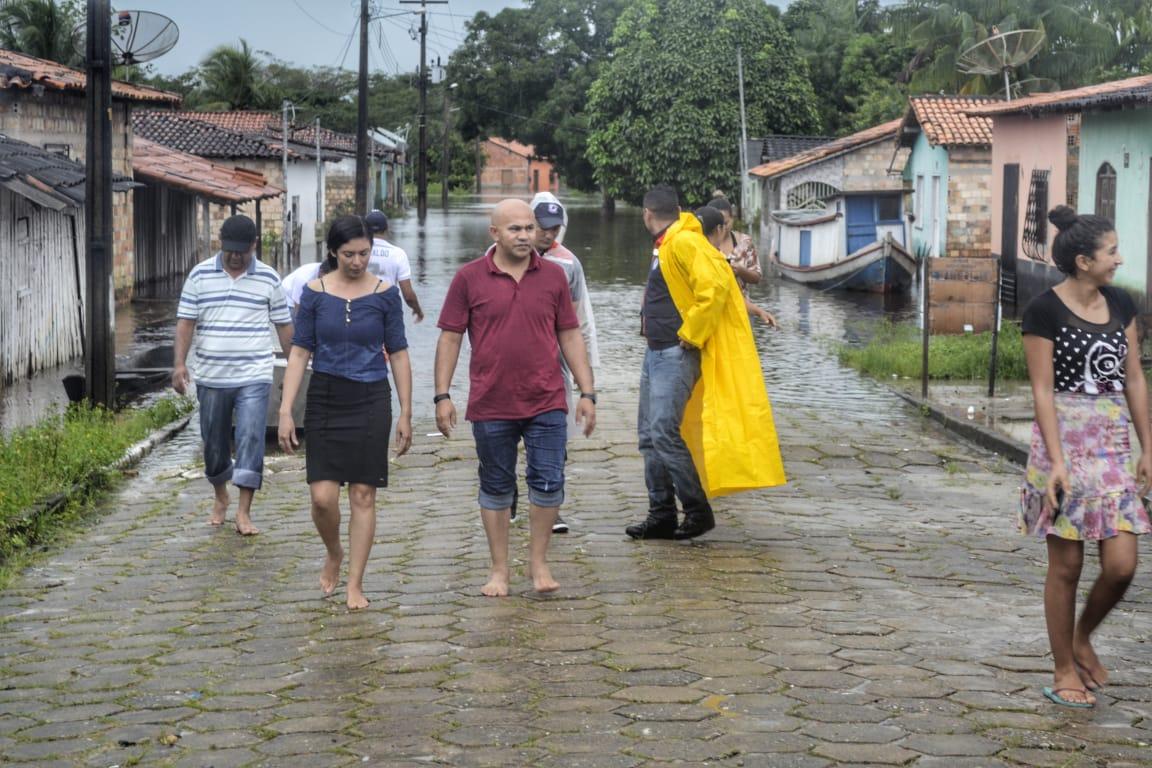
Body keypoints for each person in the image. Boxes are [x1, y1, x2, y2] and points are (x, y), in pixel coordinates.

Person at [1020, 205, 1152, 709]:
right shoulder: (1043, 311)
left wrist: (1147, 447)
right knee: (1068, 565)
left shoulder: (1121, 303)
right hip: (1063, 443)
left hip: (1113, 442)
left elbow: (1134, 377)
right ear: (1082, 261)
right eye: (1111, 251)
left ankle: (1082, 636)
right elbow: (1042, 391)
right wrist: (1056, 462)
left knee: (1121, 564)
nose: (1119, 259)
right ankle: (1062, 669)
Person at [434, 199, 596, 597]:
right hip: (491, 401)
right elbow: (451, 337)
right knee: (496, 485)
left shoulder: (555, 277)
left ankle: (539, 563)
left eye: (529, 228)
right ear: (494, 234)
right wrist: (442, 395)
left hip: (546, 398)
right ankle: (499, 569)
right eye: (516, 229)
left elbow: (570, 335)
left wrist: (587, 391)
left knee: (548, 480)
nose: (525, 236)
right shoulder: (469, 278)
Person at [628, 185, 785, 541]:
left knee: (664, 433)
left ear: (646, 214)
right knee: (649, 436)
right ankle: (661, 514)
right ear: (678, 209)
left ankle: (697, 511)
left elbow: (715, 287)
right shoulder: (669, 243)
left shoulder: (683, 242)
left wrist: (692, 333)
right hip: (656, 350)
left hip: (675, 350)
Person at [278, 215, 413, 610]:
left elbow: (400, 354)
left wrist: (406, 412)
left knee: (363, 493)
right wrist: (286, 410)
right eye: (349, 254)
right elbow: (300, 352)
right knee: (322, 497)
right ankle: (334, 551)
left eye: (364, 254)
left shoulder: (386, 295)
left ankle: (355, 582)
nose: (358, 262)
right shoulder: (314, 294)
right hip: (325, 396)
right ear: (333, 252)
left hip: (371, 397)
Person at [172, 214, 293, 536]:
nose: (236, 256)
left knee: (251, 437)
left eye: (242, 250)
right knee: (213, 442)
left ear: (254, 245)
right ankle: (220, 495)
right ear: (220, 244)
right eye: (230, 250)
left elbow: (284, 326)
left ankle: (243, 511)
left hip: (254, 373)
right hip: (211, 375)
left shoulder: (269, 279)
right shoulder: (199, 276)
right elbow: (186, 322)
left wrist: (294, 366)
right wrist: (179, 364)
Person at [530, 191, 601, 535]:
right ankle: (507, 494)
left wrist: (584, 379)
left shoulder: (569, 263)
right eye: (543, 227)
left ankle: (551, 505)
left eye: (554, 228)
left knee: (555, 437)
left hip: (554, 365)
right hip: (512, 365)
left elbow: (577, 322)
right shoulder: (502, 256)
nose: (548, 234)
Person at [695, 206, 779, 328]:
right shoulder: (711, 258)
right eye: (722, 225)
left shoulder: (743, 243)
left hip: (733, 311)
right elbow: (725, 297)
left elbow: (736, 294)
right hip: (713, 318)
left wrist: (740, 271)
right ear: (718, 229)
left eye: (726, 222)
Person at [365, 210, 425, 323]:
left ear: (364, 230)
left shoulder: (357, 253)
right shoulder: (398, 254)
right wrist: (417, 310)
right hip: (388, 312)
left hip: (362, 309)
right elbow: (408, 295)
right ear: (387, 229)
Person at [707, 196, 761, 294]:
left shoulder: (745, 243)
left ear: (732, 218)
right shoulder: (701, 243)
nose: (722, 229)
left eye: (725, 223)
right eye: (717, 225)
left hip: (741, 305)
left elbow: (756, 278)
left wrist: (741, 271)